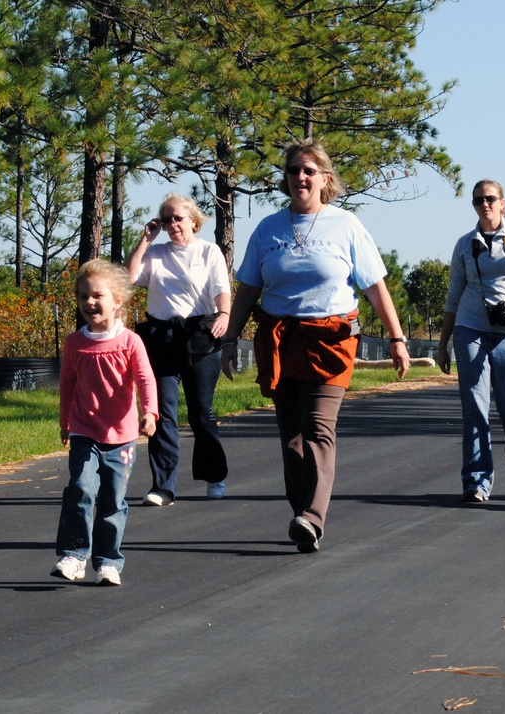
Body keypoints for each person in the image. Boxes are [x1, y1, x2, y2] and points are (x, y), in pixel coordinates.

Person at [220, 138, 410, 553]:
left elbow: (376, 287)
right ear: (285, 179)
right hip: (280, 339)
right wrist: (230, 339)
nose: (300, 177)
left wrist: (397, 338)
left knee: (319, 429)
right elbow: (248, 289)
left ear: (325, 179)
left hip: (331, 340)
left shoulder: (347, 225)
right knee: (291, 435)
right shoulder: (268, 229)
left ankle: (311, 517)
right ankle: (301, 510)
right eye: (293, 171)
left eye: (309, 171)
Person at [52, 260, 158, 585]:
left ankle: (108, 561)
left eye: (97, 295)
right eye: (83, 296)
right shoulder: (75, 343)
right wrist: (65, 421)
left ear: (117, 301)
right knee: (81, 489)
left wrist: (150, 412)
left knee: (113, 500)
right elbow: (68, 384)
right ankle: (74, 554)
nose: (89, 302)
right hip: (84, 430)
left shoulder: (130, 342)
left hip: (121, 437)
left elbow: (145, 379)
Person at [438, 179, 505, 503]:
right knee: (474, 407)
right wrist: (443, 343)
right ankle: (477, 481)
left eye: (490, 199)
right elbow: (453, 295)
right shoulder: (464, 244)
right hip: (470, 329)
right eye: (478, 200)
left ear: (502, 202)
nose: (485, 204)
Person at [127, 194, 232, 506]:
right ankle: (163, 486)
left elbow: (222, 290)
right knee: (161, 412)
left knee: (201, 414)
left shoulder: (207, 252)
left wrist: (224, 315)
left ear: (193, 222)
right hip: (161, 338)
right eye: (167, 219)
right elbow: (128, 278)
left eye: (178, 218)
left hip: (199, 335)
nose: (173, 224)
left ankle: (214, 475)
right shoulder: (156, 253)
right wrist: (146, 239)